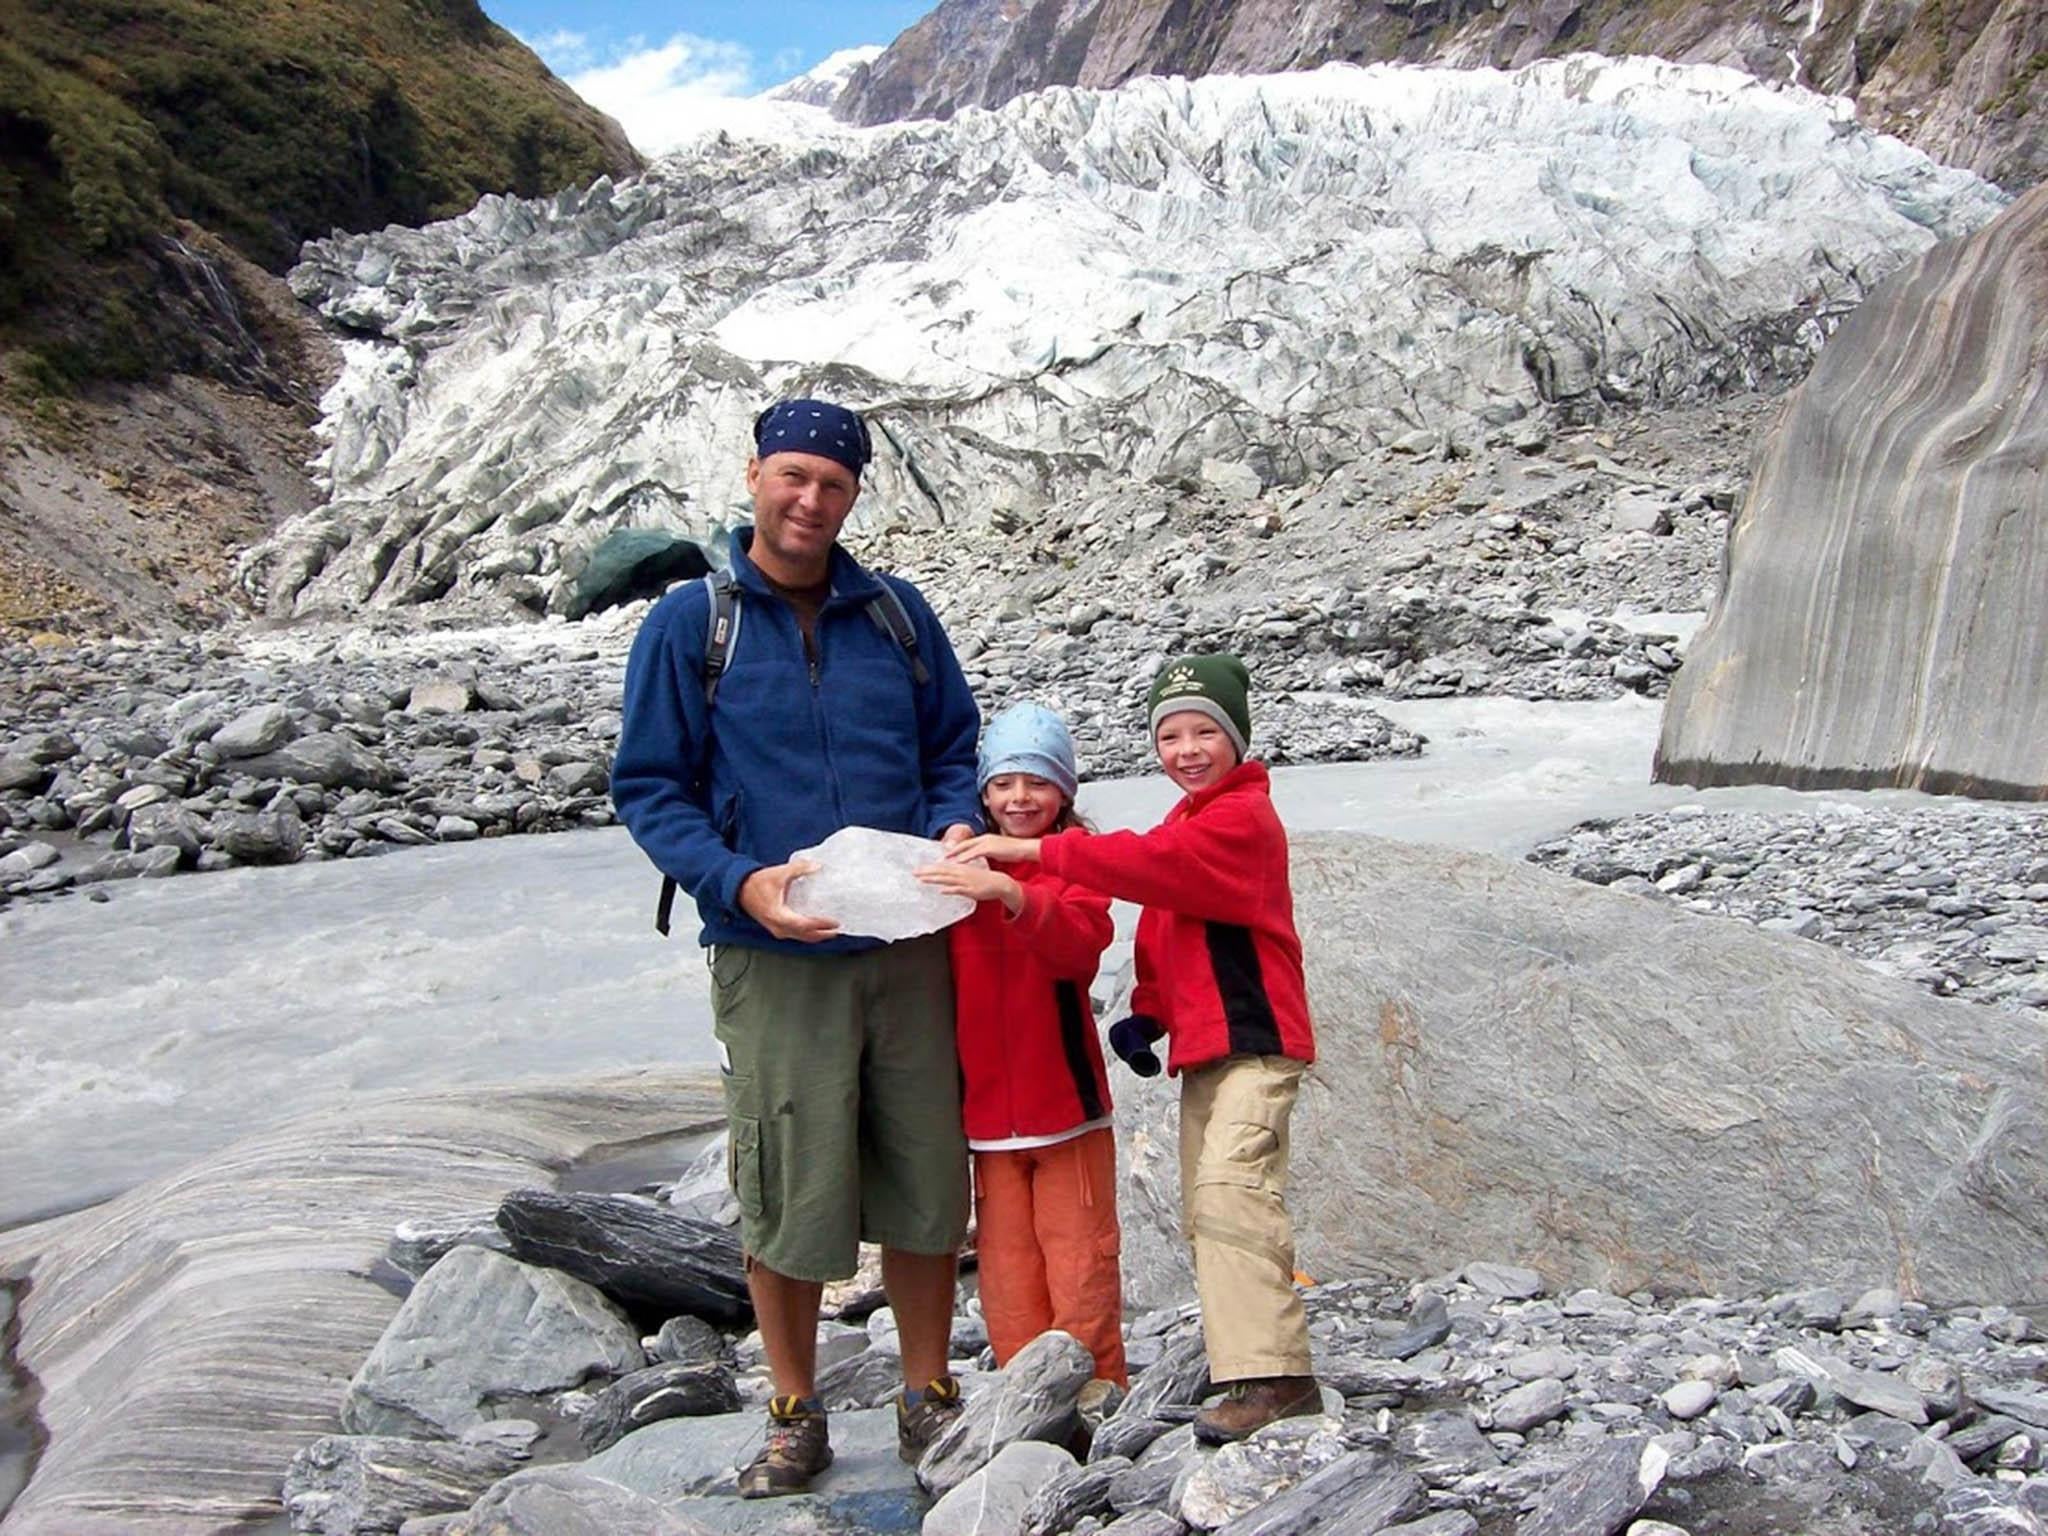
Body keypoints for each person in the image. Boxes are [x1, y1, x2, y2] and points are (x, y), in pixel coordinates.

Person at [611, 398, 985, 1498]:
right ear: (754, 478)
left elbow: (949, 748)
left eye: (830, 484)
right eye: (791, 478)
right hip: (768, 955)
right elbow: (649, 789)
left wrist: (954, 821)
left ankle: (929, 1397)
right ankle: (791, 1405)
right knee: (782, 1180)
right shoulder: (692, 624)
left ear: (854, 494)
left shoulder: (897, 617)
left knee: (924, 1171)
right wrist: (740, 882)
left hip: (905, 942)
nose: (809, 501)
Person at [947, 654, 1321, 1443]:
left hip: (1255, 1040)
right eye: (1171, 734)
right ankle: (1243, 1369)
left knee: (1230, 1194)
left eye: (1205, 732)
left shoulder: (1241, 819)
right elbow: (1166, 922)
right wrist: (1147, 1012)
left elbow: (1149, 875)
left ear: (1237, 739)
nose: (1186, 750)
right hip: (1205, 1049)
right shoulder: (1186, 821)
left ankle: (1277, 1378)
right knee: (1209, 1208)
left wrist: (1030, 860)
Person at [914, 701, 1126, 1388]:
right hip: (987, 1126)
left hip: (1068, 1113)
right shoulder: (954, 868)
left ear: (1064, 790)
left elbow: (1080, 948)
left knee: (1081, 1260)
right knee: (1007, 1273)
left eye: (1036, 782)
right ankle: (1025, 1389)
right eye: (1003, 784)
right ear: (982, 792)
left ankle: (1098, 1388)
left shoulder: (1078, 864)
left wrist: (1009, 891)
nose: (1019, 798)